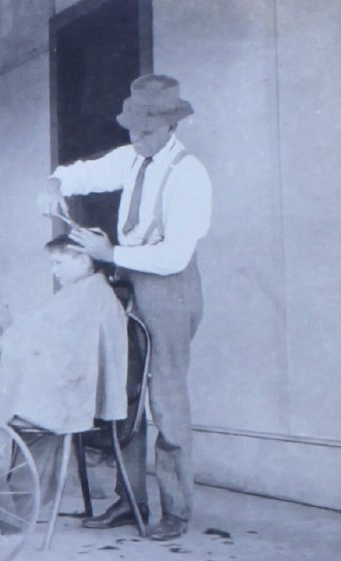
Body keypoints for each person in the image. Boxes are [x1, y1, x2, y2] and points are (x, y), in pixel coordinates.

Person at [38, 74, 212, 541]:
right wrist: (56, 181)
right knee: (124, 391)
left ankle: (175, 511)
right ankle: (129, 499)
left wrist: (109, 254)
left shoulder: (189, 175)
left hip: (170, 287)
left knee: (166, 398)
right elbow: (84, 173)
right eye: (131, 130)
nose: (136, 139)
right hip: (130, 281)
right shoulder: (133, 157)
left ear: (171, 127)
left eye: (146, 132)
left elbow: (174, 255)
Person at [0, 235, 128, 526]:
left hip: (72, 393)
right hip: (71, 390)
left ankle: (5, 513)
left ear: (84, 260)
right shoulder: (88, 292)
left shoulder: (90, 295)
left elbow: (67, 350)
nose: (53, 271)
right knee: (8, 413)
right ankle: (13, 511)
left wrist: (17, 336)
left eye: (58, 263)